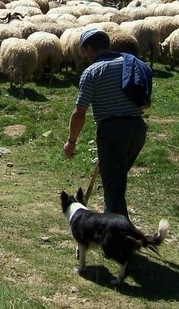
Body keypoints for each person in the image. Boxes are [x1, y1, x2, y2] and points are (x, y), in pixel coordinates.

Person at [63, 27, 150, 219]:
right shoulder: (133, 64)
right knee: (116, 181)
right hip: (137, 129)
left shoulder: (93, 71)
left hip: (112, 131)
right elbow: (145, 104)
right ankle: (117, 227)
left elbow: (79, 113)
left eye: (83, 51)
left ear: (88, 48)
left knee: (113, 189)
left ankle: (115, 240)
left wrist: (71, 141)